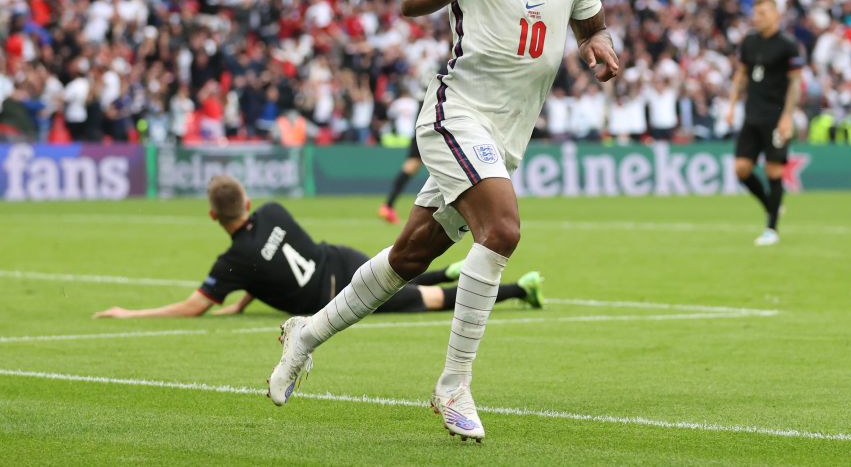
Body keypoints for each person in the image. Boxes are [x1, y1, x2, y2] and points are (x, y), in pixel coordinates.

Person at [266, 0, 619, 442]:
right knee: (502, 230)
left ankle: (306, 333)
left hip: (507, 135)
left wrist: (601, 45)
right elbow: (411, 1)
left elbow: (591, 22)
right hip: (455, 114)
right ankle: (453, 383)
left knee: (410, 256)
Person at [93, 175, 543, 319]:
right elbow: (272, 255)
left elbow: (195, 307)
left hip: (333, 295)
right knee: (397, 270)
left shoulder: (234, 262)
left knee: (423, 299)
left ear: (214, 216)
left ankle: (521, 290)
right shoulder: (271, 212)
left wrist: (130, 314)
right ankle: (451, 268)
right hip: (340, 257)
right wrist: (243, 303)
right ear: (246, 202)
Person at [724, 0, 804, 246]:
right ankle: (772, 206)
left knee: (773, 170)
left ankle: (771, 230)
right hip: (752, 114)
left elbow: (795, 83)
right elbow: (742, 74)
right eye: (756, 14)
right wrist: (732, 104)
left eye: (763, 13)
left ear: (776, 15)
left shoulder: (788, 46)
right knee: (741, 169)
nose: (757, 18)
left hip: (776, 116)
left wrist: (788, 116)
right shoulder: (749, 41)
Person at [378, 133, 422, 224]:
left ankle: (388, 206)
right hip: (432, 132)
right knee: (411, 166)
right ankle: (387, 206)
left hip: (426, 131)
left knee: (411, 166)